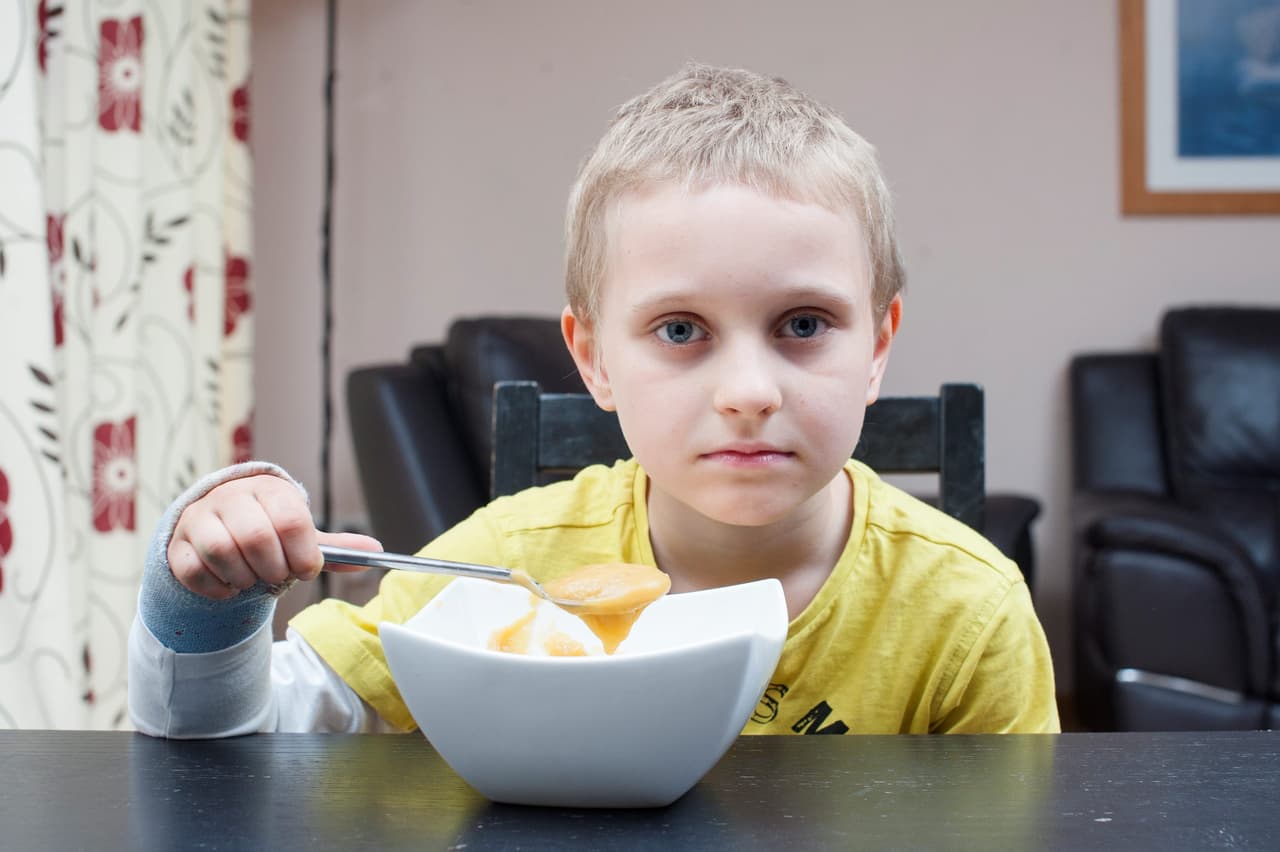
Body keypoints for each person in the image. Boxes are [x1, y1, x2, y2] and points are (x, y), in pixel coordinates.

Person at [129, 63, 1059, 737]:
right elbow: (236, 744)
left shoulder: (968, 613)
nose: (747, 393)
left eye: (804, 324)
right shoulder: (508, 564)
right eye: (682, 330)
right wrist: (206, 603)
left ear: (879, 345)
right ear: (594, 359)